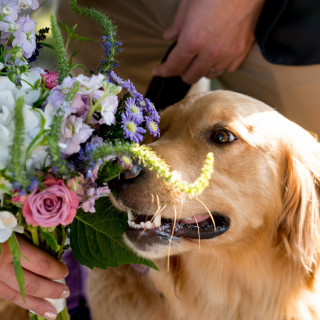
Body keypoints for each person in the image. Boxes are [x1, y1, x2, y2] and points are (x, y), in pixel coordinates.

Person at [1, 0, 320, 319]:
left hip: (282, 21)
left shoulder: (299, 171)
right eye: (161, 135)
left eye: (222, 136)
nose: (135, 161)